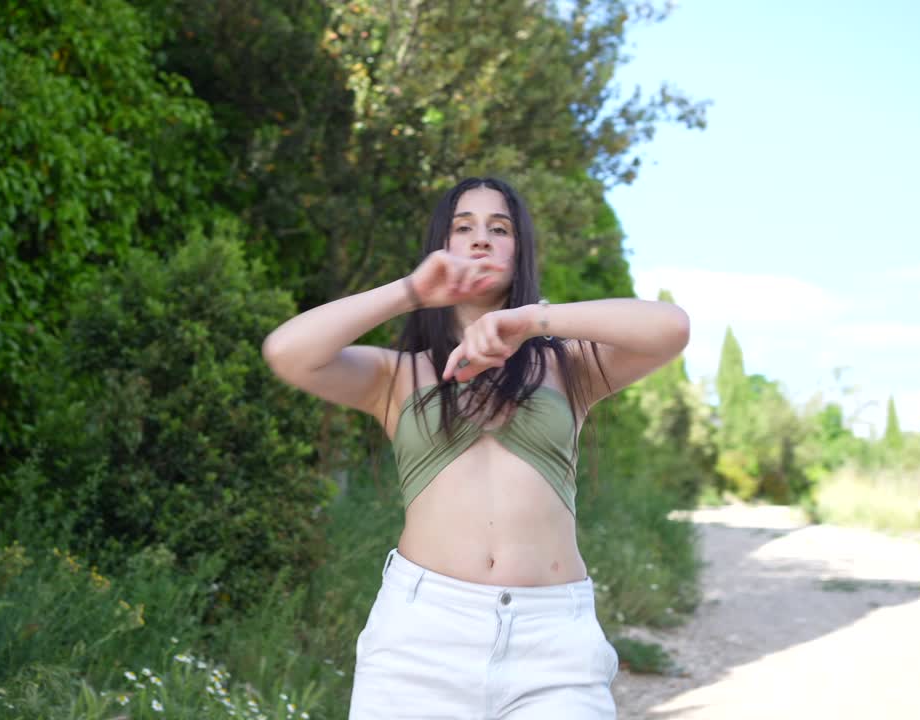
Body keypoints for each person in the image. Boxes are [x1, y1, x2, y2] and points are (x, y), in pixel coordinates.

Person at [261, 177, 690, 719]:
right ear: (442, 248)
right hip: (420, 642)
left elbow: (671, 328)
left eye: (500, 228)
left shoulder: (568, 367)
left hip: (552, 643)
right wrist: (410, 291)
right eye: (463, 228)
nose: (481, 239)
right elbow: (286, 351)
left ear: (520, 250)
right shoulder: (397, 376)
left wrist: (530, 320)